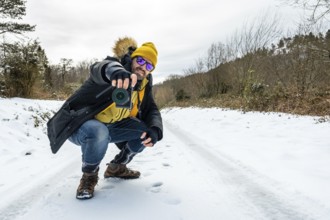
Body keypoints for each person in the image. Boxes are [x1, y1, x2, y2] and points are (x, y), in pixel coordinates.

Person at [47, 37, 163, 200]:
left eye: (149, 65)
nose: (143, 67)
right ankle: (89, 177)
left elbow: (151, 109)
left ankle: (118, 166)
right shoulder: (114, 67)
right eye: (141, 60)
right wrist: (116, 72)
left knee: (145, 132)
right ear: (133, 58)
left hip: (113, 127)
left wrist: (156, 128)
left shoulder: (144, 84)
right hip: (81, 126)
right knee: (98, 130)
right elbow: (100, 68)